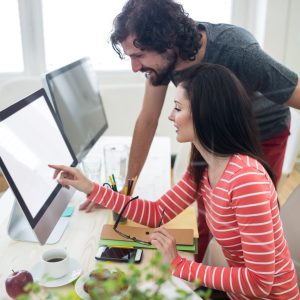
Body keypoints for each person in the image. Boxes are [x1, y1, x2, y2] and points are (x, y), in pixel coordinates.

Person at [50, 64, 299, 299]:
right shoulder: (204, 165)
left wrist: (180, 265)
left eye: (178, 108)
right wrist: (89, 187)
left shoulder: (245, 180)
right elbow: (157, 212)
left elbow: (259, 282)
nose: (170, 116)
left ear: (205, 115)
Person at [80, 0, 300, 215]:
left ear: (167, 43)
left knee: (249, 211)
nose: (135, 67)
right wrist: (125, 195)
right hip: (212, 132)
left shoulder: (238, 51)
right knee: (208, 214)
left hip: (263, 131)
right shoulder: (162, 63)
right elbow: (147, 120)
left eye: (139, 56)